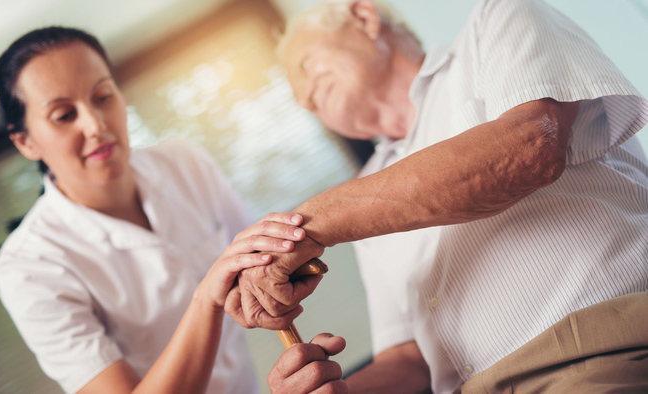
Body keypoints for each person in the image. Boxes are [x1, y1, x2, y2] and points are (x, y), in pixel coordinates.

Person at [225, 0, 648, 393]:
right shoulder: (360, 193)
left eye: (306, 65)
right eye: (302, 102)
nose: (303, 98)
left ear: (363, 17)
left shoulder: (496, 20)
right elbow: (410, 360)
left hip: (599, 353)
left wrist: (310, 225)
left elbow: (531, 146)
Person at [0, 26, 324, 394]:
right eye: (64, 115)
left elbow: (257, 267)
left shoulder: (183, 161)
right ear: (25, 141)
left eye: (102, 96)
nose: (95, 125)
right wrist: (206, 298)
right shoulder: (26, 268)